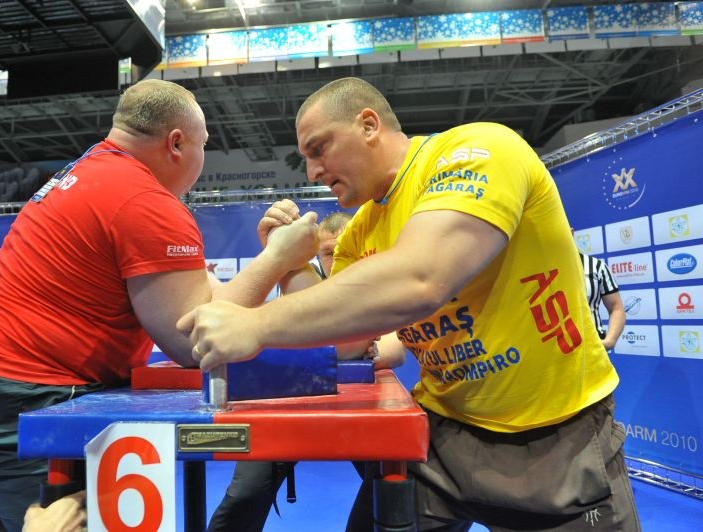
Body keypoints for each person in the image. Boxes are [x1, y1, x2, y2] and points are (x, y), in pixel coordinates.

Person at [179, 77, 641, 530]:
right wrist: (286, 260)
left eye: (318, 149)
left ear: (368, 125)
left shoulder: (480, 149)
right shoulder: (359, 232)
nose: (312, 172)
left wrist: (255, 325)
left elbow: (423, 278)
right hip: (443, 436)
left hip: (561, 434)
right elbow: (342, 344)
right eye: (305, 159)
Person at [0, 79, 318, 532]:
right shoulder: (145, 200)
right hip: (13, 399)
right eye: (204, 146)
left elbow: (207, 297)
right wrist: (278, 259)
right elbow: (193, 340)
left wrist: (274, 256)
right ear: (177, 143)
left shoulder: (90, 172)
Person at [208, 210, 406, 532]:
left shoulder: (376, 281)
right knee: (244, 496)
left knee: (388, 485)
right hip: (294, 401)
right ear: (317, 255)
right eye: (328, 252)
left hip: (361, 407)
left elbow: (395, 347)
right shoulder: (302, 282)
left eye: (343, 249)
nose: (337, 258)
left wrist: (343, 348)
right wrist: (356, 347)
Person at [580, 251, 625, 351]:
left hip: (593, 349)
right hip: (553, 353)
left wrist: (609, 341)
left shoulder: (595, 266)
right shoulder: (539, 269)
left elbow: (616, 307)